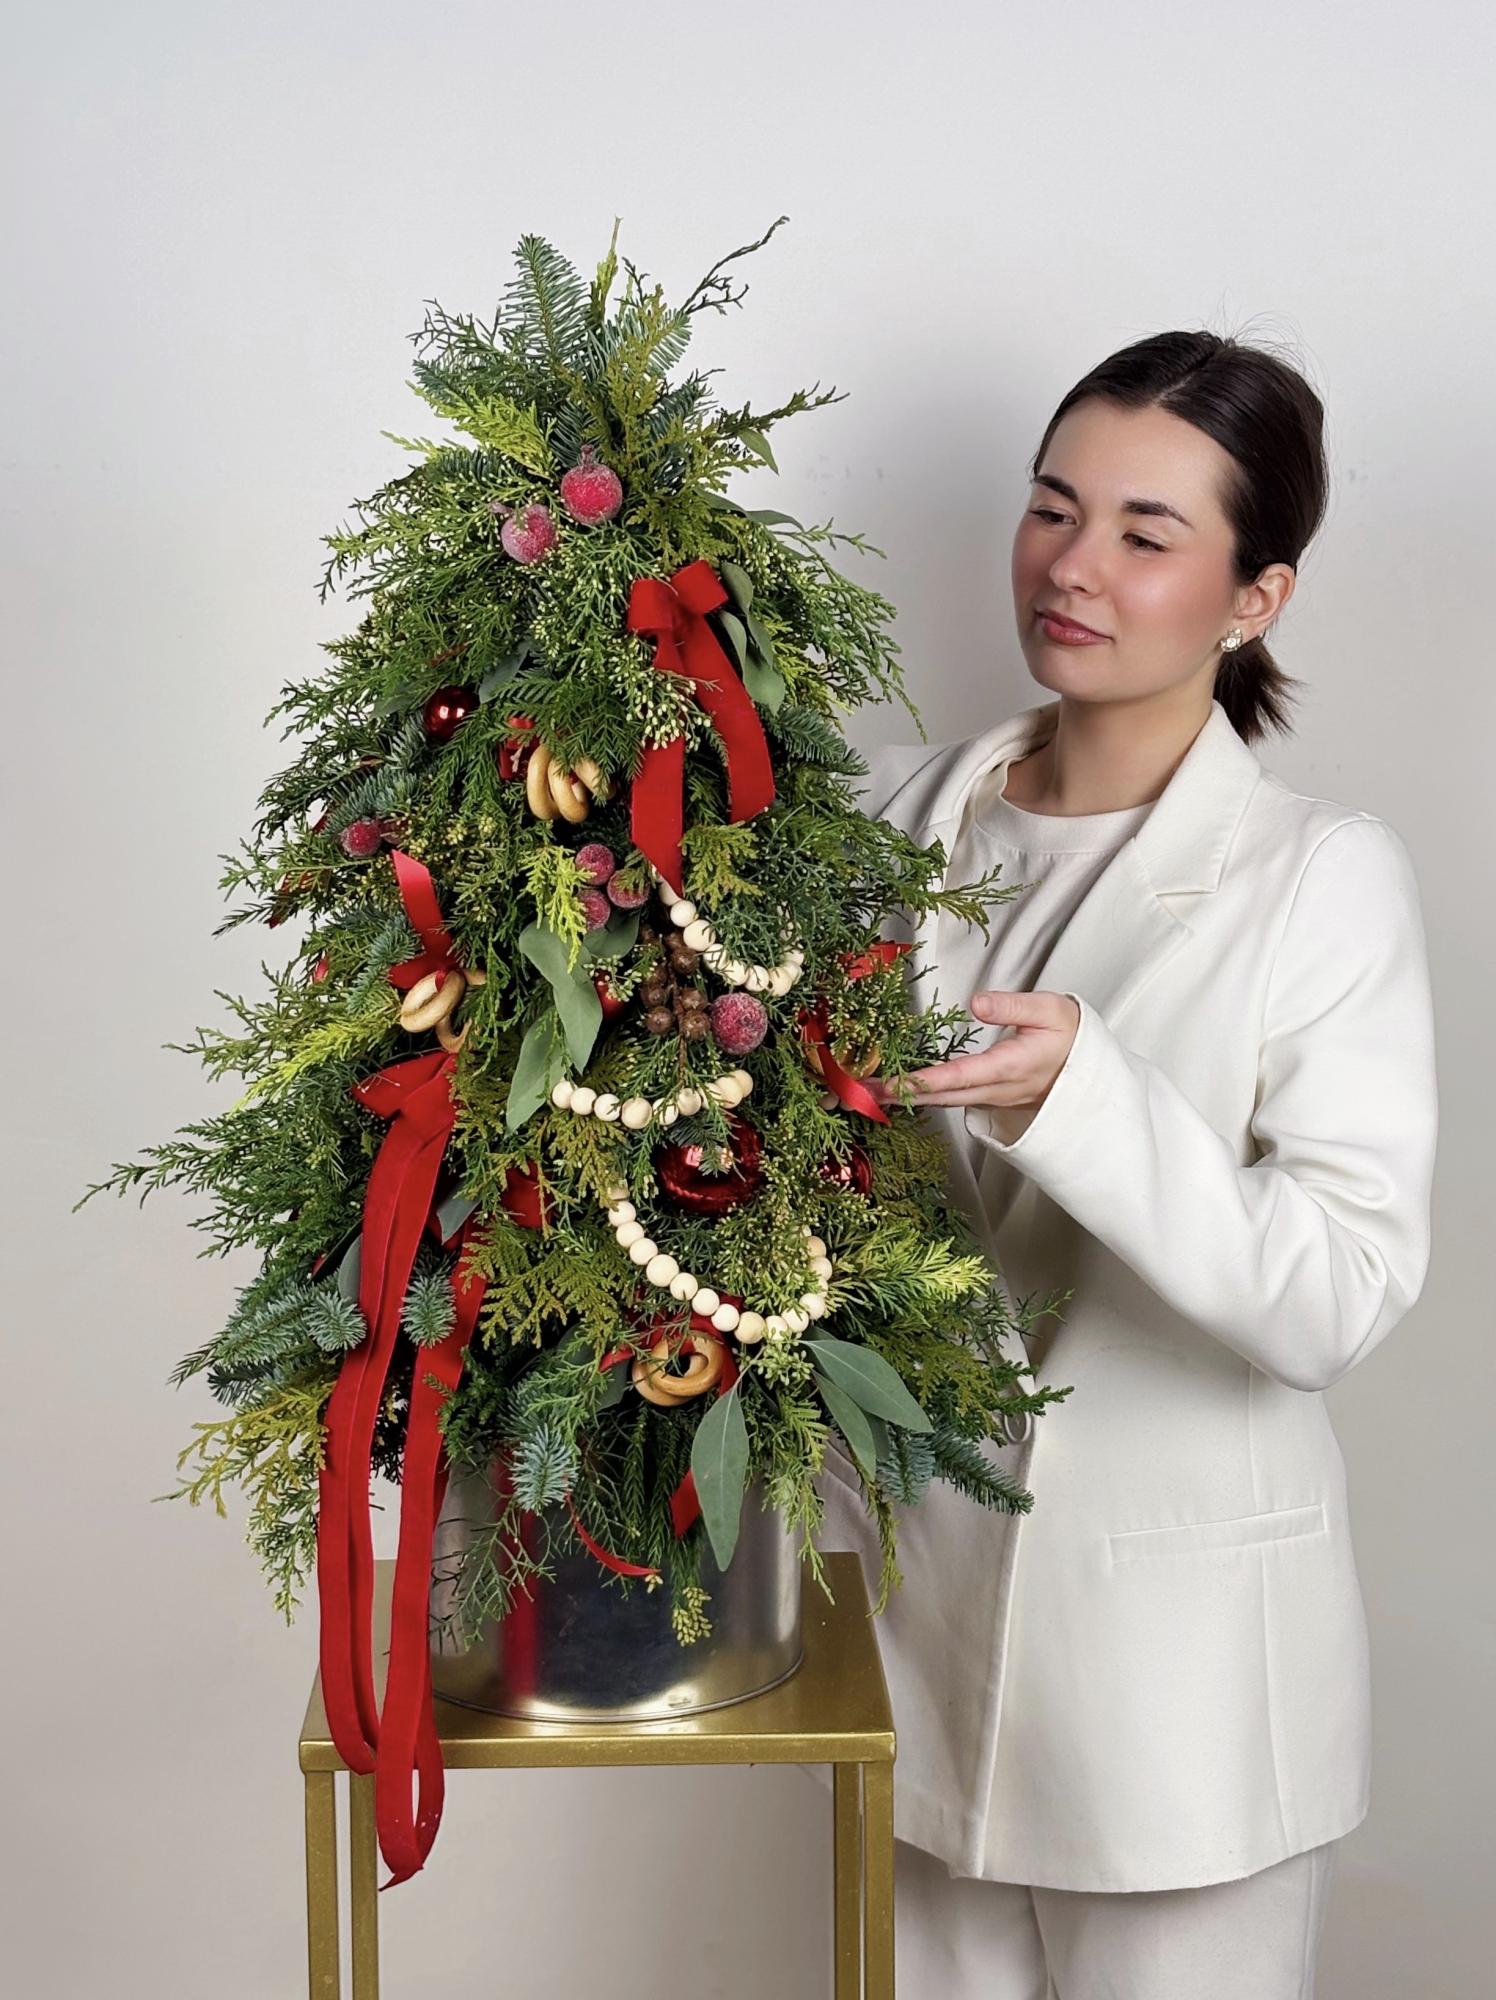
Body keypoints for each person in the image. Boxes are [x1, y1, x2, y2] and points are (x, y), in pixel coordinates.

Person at [801, 331, 1439, 1999]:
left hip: (1180, 1705)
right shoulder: (879, 825)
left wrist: (1086, 1099)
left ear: (1255, 597)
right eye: (1051, 508)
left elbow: (1338, 1294)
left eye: (1148, 535)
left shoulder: (1316, 877)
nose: (1073, 566)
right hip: (900, 1660)